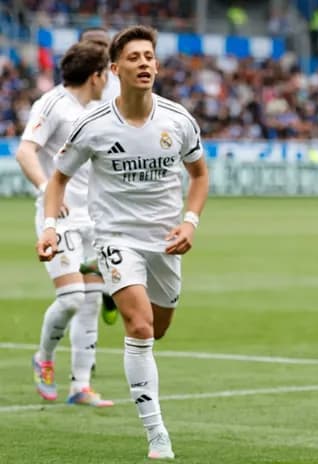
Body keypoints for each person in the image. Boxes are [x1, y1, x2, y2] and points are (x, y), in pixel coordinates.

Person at [37, 25, 210, 460]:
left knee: (160, 326)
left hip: (165, 241)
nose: (145, 64)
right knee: (140, 328)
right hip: (114, 237)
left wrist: (190, 223)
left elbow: (200, 176)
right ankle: (157, 435)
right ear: (115, 69)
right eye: (134, 58)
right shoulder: (92, 126)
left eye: (149, 57)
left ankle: (118, 293)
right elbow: (58, 180)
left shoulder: (179, 119)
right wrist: (51, 229)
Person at [17, 41, 114, 407]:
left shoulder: (93, 110)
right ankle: (43, 357)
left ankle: (81, 386)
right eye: (106, 74)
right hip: (59, 220)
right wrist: (47, 192)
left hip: (93, 219)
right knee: (72, 298)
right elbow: (26, 150)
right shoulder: (53, 104)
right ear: (96, 75)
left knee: (90, 301)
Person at [77, 26, 121, 325]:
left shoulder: (118, 83)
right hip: (79, 176)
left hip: (109, 176)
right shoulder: (75, 82)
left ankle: (109, 288)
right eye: (91, 45)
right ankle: (85, 358)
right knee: (77, 288)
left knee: (112, 247)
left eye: (102, 45)